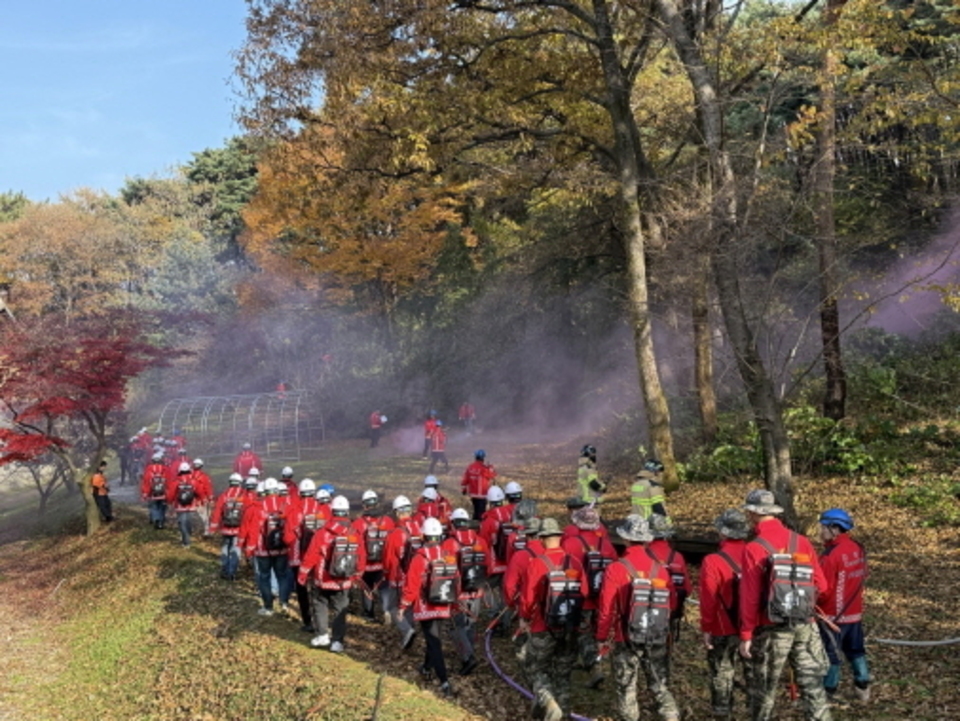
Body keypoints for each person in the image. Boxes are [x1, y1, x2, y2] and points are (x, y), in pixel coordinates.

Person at [738, 489, 832, 721]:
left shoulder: (754, 548)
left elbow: (749, 597)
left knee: (765, 692)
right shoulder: (801, 542)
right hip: (805, 624)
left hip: (771, 628)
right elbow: (823, 585)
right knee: (813, 688)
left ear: (751, 513)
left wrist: (746, 633)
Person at [595, 514, 680, 721]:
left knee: (626, 690)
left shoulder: (616, 568)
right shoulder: (660, 570)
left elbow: (606, 608)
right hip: (657, 637)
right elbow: (673, 604)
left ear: (625, 538)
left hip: (625, 638)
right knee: (660, 686)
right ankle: (671, 717)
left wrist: (601, 637)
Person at [518, 518, 589, 721]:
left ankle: (549, 702)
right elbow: (583, 592)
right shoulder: (574, 562)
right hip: (570, 627)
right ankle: (563, 714)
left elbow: (528, 597)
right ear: (559, 537)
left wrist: (524, 618)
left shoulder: (538, 563)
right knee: (563, 675)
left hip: (543, 626)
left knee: (534, 668)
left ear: (541, 539)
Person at [699, 508, 752, 719]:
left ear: (723, 532)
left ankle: (722, 714)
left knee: (721, 673)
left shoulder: (713, 560)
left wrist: (706, 627)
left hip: (722, 627)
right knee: (753, 674)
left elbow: (708, 599)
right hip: (751, 627)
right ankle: (755, 712)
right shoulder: (756, 553)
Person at [299, 495, 366, 653]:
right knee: (340, 610)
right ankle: (337, 642)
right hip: (345, 579)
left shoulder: (323, 532)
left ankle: (322, 634)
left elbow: (311, 555)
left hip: (323, 578)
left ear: (332, 511)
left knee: (319, 604)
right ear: (347, 512)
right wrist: (358, 574)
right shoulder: (354, 532)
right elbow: (361, 556)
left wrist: (303, 573)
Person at [817, 508, 871, 703]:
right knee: (856, 650)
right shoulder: (858, 547)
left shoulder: (831, 555)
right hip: (854, 613)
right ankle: (863, 684)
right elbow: (864, 574)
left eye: (822, 527)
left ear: (834, 528)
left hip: (832, 616)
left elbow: (823, 589)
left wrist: (811, 604)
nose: (820, 531)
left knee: (831, 653)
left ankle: (829, 690)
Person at [401, 517, 458, 696]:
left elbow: (412, 584)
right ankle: (426, 667)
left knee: (434, 642)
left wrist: (403, 605)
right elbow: (457, 579)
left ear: (424, 535)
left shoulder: (419, 557)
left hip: (426, 606)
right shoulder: (448, 553)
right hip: (444, 603)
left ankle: (444, 682)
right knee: (433, 638)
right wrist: (455, 601)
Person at [562, 504, 618, 687]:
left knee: (582, 634)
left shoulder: (570, 543)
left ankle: (594, 668)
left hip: (580, 598)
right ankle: (590, 662)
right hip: (602, 598)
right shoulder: (607, 545)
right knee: (595, 632)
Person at [444, 508, 489, 676]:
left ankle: (468, 657)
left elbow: (445, 571)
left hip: (458, 592)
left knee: (457, 626)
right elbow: (488, 566)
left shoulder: (449, 543)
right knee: (471, 623)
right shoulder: (480, 541)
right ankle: (469, 653)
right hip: (477, 590)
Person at [240, 477, 294, 616]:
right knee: (282, 576)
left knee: (264, 577)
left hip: (262, 550)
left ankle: (268, 607)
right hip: (282, 548)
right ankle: (284, 603)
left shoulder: (258, 507)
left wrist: (249, 548)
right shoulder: (286, 506)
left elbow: (253, 530)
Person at [383, 495, 422, 649]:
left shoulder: (394, 533)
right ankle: (409, 632)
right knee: (409, 606)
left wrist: (387, 573)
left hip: (398, 577)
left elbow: (387, 558)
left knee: (393, 607)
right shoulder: (419, 528)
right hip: (417, 575)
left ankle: (407, 630)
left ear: (397, 513)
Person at [286, 478, 325, 631]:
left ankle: (307, 622)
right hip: (318, 557)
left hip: (298, 557)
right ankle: (321, 621)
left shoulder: (295, 510)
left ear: (300, 493)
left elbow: (287, 537)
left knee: (302, 590)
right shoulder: (322, 510)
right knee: (318, 590)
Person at [646, 513, 692, 645]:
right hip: (671, 612)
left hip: (646, 612)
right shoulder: (678, 557)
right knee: (665, 647)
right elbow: (687, 589)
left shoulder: (645, 555)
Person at [352, 490, 395, 623]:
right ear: (377, 503)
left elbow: (355, 545)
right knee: (384, 587)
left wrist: (357, 567)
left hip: (365, 564)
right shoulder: (387, 521)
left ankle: (369, 614)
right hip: (383, 562)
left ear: (364, 505)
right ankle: (386, 609)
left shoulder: (359, 523)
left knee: (367, 588)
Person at [209, 473, 248, 580]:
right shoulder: (244, 495)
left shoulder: (224, 495)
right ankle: (232, 573)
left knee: (225, 547)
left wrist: (212, 528)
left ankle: (225, 569)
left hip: (225, 528)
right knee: (236, 549)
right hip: (239, 529)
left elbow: (217, 512)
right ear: (240, 483)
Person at [167, 462, 201, 546]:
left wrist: (169, 502)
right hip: (191, 505)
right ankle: (188, 536)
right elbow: (199, 491)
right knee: (189, 522)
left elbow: (171, 493)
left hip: (180, 506)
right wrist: (200, 499)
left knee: (182, 523)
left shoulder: (176, 481)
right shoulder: (193, 481)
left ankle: (186, 541)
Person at [461, 449, 497, 520]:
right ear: (483, 457)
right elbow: (492, 475)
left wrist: (464, 489)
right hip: (482, 495)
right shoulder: (484, 468)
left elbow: (465, 479)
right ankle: (479, 526)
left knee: (476, 510)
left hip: (473, 494)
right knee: (481, 514)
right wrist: (491, 467)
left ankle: (474, 524)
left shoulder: (470, 467)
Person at [141, 451, 170, 529]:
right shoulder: (166, 469)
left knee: (154, 507)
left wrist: (145, 493)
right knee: (162, 507)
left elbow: (146, 482)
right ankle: (161, 522)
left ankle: (156, 519)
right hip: (163, 493)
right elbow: (169, 482)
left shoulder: (148, 470)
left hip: (152, 493)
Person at [191, 458, 214, 535]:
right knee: (205, 515)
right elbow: (208, 488)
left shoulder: (189, 475)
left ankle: (191, 529)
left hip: (190, 499)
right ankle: (206, 531)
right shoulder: (205, 477)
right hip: (201, 499)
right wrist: (210, 499)